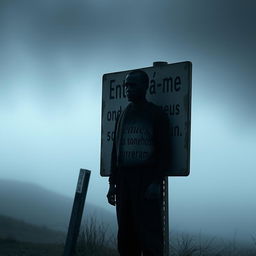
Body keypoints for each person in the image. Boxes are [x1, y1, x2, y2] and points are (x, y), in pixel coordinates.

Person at [107, 69, 170, 256]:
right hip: (124, 179)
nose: (128, 89)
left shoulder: (156, 115)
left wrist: (156, 182)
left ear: (145, 86)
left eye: (132, 85)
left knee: (149, 232)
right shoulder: (123, 115)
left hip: (146, 178)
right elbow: (115, 151)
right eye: (126, 85)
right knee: (125, 232)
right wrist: (112, 184)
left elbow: (165, 152)